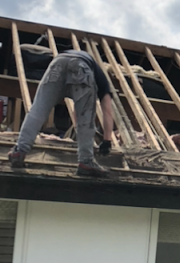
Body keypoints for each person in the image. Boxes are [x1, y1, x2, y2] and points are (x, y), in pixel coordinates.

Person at [8, 49, 114, 177]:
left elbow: (77, 112)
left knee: (38, 110)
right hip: (81, 66)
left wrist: (79, 130)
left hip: (57, 63)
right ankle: (86, 162)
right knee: (86, 118)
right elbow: (107, 111)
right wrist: (107, 140)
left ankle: (19, 151)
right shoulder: (103, 83)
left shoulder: (95, 71)